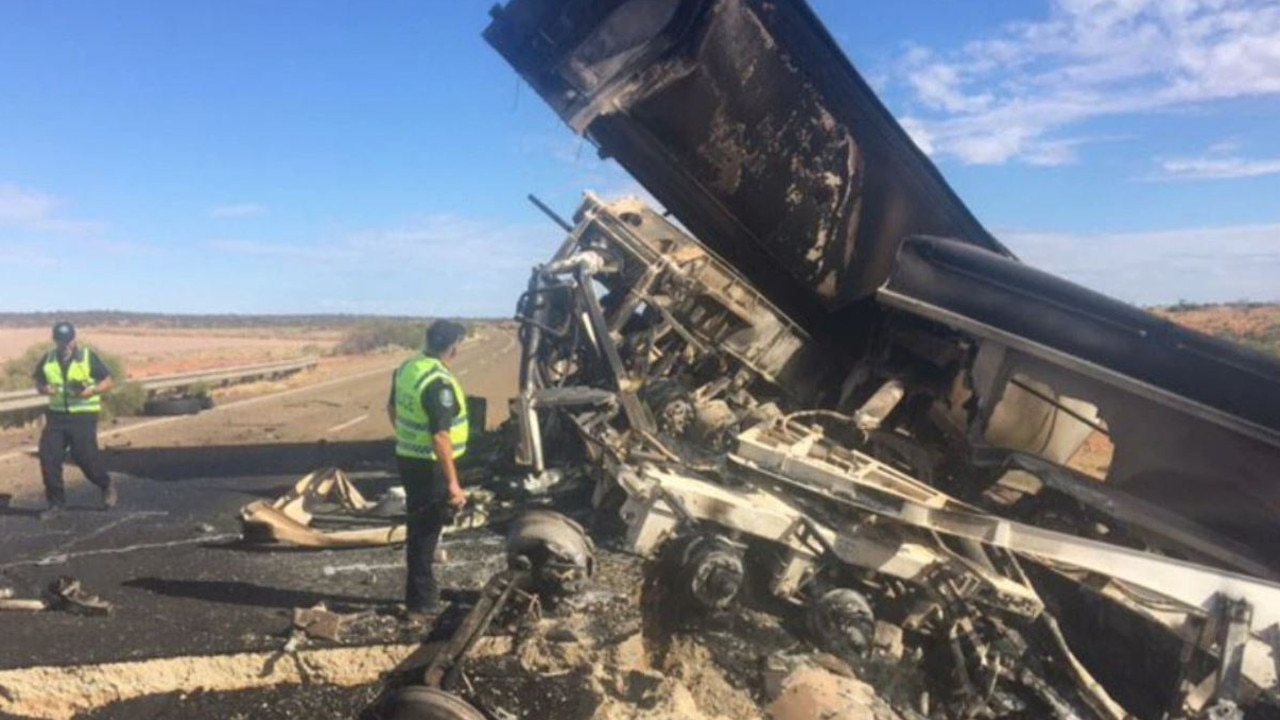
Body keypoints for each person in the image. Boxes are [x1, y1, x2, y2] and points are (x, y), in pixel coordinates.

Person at [387, 320, 470, 621]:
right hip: (431, 466)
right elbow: (440, 436)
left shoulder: (408, 368)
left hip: (408, 458)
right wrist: (453, 484)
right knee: (424, 531)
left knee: (421, 525)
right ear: (454, 347)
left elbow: (392, 409)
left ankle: (423, 592)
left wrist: (408, 439)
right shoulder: (438, 384)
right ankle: (421, 601)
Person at [31, 321, 116, 520]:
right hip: (57, 416)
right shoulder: (49, 358)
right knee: (48, 457)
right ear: (55, 341)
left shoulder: (87, 356)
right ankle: (56, 504)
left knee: (84, 457)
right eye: (60, 341)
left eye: (67, 341)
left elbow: (107, 381)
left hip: (83, 415)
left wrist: (92, 390)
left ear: (74, 339)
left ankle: (105, 483)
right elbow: (38, 381)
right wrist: (45, 389)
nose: (64, 345)